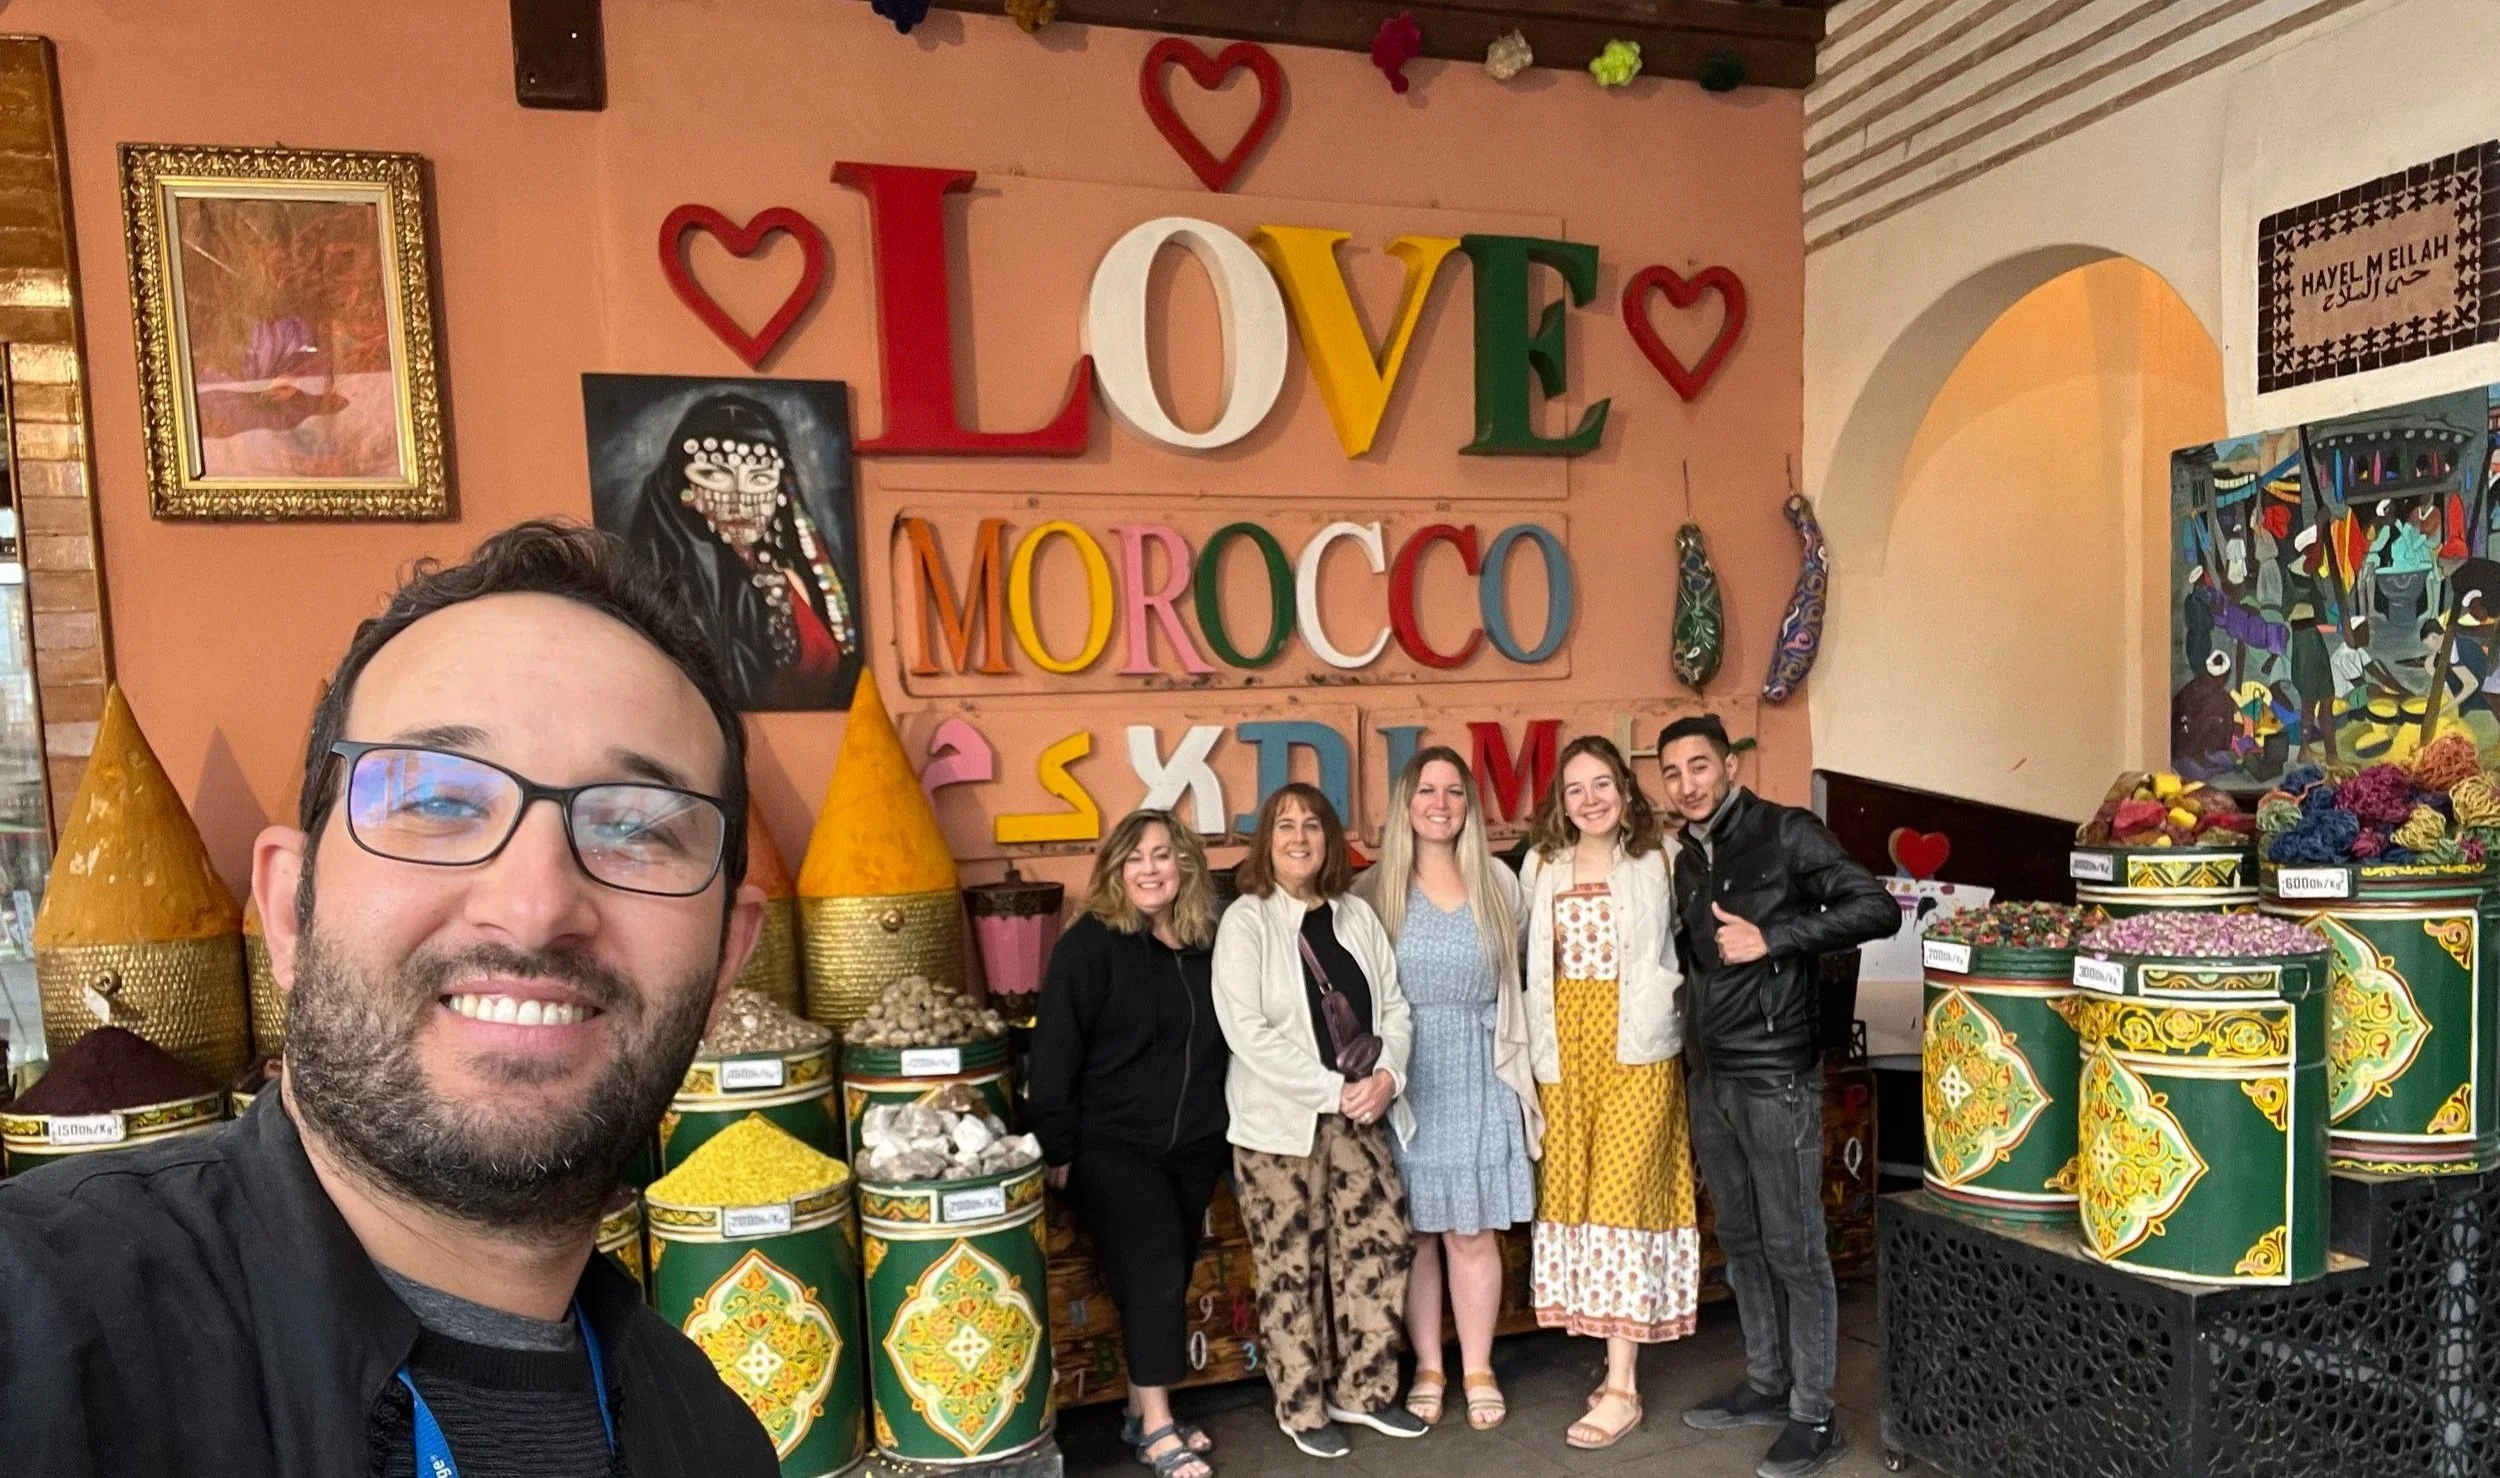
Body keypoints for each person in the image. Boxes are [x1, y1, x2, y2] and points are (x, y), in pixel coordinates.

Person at [0, 522, 780, 1476]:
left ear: (726, 960)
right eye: (439, 802)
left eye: (636, 828)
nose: (535, 908)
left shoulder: (711, 1440)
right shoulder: (39, 1329)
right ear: (289, 911)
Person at [1659, 714, 1894, 1478]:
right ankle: (1766, 1384)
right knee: (1742, 1237)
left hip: (1775, 1074)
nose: (1687, 784)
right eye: (1672, 773)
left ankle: (1815, 1416)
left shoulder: (1785, 832)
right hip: (1711, 1075)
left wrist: (1775, 938)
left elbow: (1876, 906)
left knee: (1796, 1246)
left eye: (1699, 766)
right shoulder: (1687, 860)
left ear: (1729, 764)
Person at [1212, 784, 1424, 1459]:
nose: (1299, 837)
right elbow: (1247, 1032)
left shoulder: (1355, 915)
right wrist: (1335, 1089)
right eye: (1284, 826)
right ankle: (1302, 1407)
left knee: (1380, 1245)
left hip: (1361, 1115)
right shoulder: (1246, 921)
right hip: (1279, 1126)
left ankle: (1365, 1390)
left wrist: (1388, 1077)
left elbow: (1394, 1006)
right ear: (1266, 842)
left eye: (1312, 824)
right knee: (1291, 1266)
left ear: (1330, 839)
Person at [1027, 810, 1231, 1478]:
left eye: (1162, 855)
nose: (1149, 869)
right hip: (1109, 1145)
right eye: (1135, 857)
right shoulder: (1088, 946)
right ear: (1115, 869)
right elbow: (1054, 1051)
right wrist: (1057, 1145)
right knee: (1155, 1264)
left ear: (1185, 865)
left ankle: (1141, 1409)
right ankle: (1159, 1427)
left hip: (1194, 1143)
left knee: (1165, 1270)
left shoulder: (1205, 941)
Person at [1517, 735, 1697, 1451]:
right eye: (1575, 789)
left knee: (1623, 1198)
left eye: (1601, 784)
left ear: (1624, 789)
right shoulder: (1541, 864)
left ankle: (1622, 1386)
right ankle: (1614, 1363)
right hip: (1565, 1049)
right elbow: (1526, 955)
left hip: (1638, 1049)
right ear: (1560, 802)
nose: (1590, 799)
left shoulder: (1662, 858)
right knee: (1583, 1200)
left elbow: (1693, 943)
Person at [1352, 748, 1538, 1432]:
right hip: (1406, 1074)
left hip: (1482, 1069)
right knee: (1418, 1234)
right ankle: (1429, 1364)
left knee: (1472, 1230)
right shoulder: (1375, 890)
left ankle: (1478, 1366)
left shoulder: (1498, 882)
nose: (1440, 803)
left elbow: (1525, 975)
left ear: (1469, 806)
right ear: (1406, 804)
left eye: (1454, 792)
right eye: (1427, 791)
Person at [625, 391, 858, 711]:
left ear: (780, 488)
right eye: (714, 474)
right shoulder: (674, 588)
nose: (739, 496)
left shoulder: (797, 571)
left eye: (759, 477)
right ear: (683, 488)